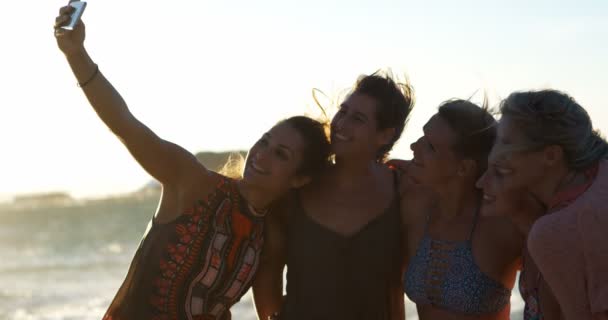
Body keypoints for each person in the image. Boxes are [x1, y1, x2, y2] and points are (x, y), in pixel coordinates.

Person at [54, 5, 331, 320]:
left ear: (300, 178)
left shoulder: (269, 236)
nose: (262, 154)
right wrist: (76, 54)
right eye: (265, 140)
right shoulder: (193, 182)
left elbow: (269, 313)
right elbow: (125, 125)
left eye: (281, 154)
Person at [252, 72, 415, 320]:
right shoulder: (297, 189)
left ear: (385, 135)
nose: (341, 123)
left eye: (358, 119)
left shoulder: (401, 190)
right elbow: (268, 276)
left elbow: (396, 287)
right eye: (343, 111)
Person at [396, 100, 523, 320]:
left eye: (430, 146)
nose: (414, 146)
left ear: (464, 168)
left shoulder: (503, 224)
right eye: (423, 136)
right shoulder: (414, 204)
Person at [487, 90, 608, 320]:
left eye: (506, 143)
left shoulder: (554, 231)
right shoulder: (602, 172)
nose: (494, 157)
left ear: (551, 156)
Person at [477, 154, 564, 319]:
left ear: (533, 183)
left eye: (500, 173)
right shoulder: (530, 244)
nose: (480, 182)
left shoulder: (560, 250)